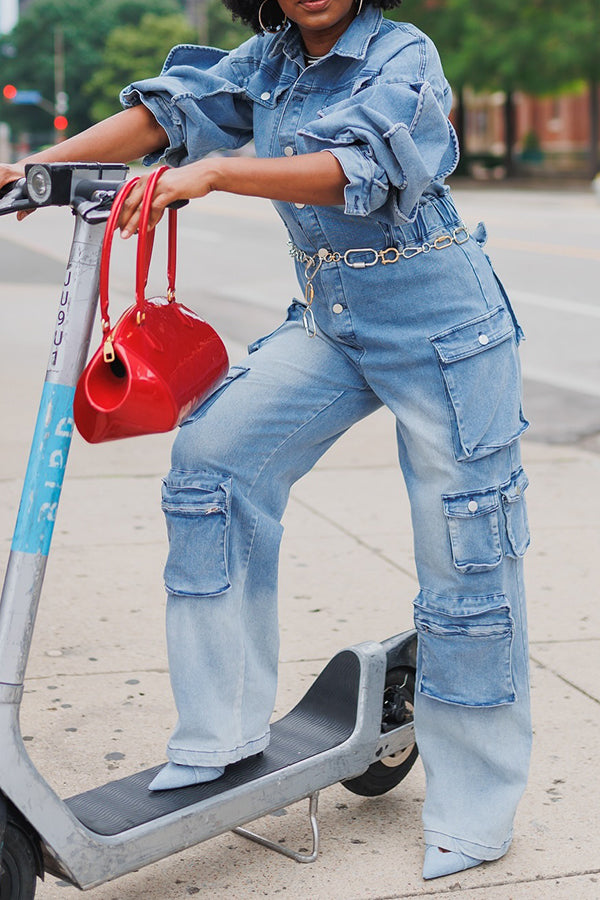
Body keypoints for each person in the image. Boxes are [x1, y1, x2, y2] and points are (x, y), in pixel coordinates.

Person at [0, 0, 532, 881]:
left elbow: (359, 166)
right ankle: (222, 733)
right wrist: (34, 172)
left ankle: (477, 802)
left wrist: (216, 174)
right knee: (213, 464)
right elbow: (170, 109)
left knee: (467, 559)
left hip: (445, 330)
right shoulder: (268, 60)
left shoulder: (402, 54)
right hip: (333, 325)